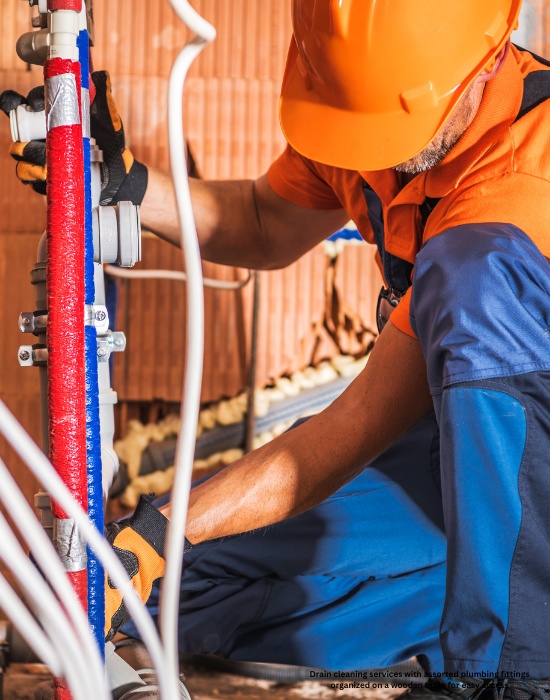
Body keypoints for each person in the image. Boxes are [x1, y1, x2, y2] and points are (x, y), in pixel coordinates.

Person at [3, 2, 550, 699]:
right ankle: (488, 597)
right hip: (450, 471)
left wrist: (158, 530)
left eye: (391, 124)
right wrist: (129, 191)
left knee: (472, 274)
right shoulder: (367, 113)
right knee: (187, 585)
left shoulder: (520, 192)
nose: (374, 151)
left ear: (493, 50)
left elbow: (346, 429)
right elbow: (264, 221)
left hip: (531, 473)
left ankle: (511, 671)